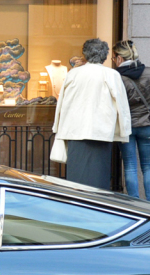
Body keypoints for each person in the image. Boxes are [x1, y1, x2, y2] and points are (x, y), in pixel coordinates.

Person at [51, 39, 130, 190]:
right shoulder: (111, 74)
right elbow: (122, 105)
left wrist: (58, 127)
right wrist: (123, 130)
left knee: (76, 177)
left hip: (75, 130)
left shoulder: (73, 74)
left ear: (85, 54)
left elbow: (61, 103)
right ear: (105, 56)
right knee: (98, 178)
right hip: (101, 130)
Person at [112, 40, 150, 203]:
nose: (114, 61)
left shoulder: (117, 77)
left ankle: (134, 205)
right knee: (148, 166)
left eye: (114, 58)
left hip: (126, 127)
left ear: (119, 58)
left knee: (130, 166)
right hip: (147, 125)